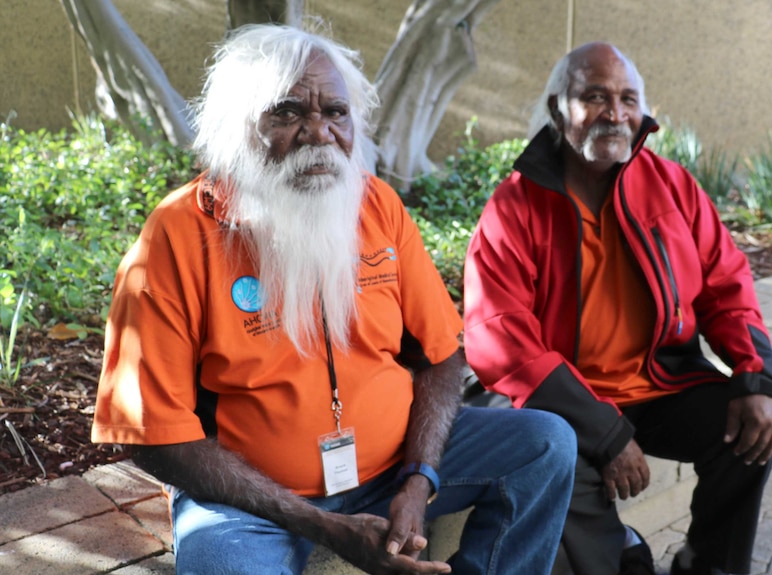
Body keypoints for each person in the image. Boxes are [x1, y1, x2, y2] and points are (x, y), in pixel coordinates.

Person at [91, 24, 578, 575]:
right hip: (254, 502)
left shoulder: (377, 207)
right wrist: (327, 528)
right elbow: (153, 436)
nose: (317, 133)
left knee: (546, 444)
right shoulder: (176, 237)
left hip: (394, 467)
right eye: (288, 112)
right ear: (236, 129)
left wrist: (420, 479)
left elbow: (442, 355)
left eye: (335, 113)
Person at [463, 42, 772, 575]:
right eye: (594, 97)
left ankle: (709, 565)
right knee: (552, 465)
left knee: (750, 431)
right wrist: (606, 432)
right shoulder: (514, 207)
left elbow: (727, 284)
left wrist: (760, 378)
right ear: (556, 110)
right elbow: (498, 338)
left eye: (627, 99)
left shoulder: (673, 186)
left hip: (662, 383)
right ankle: (625, 556)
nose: (615, 113)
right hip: (566, 403)